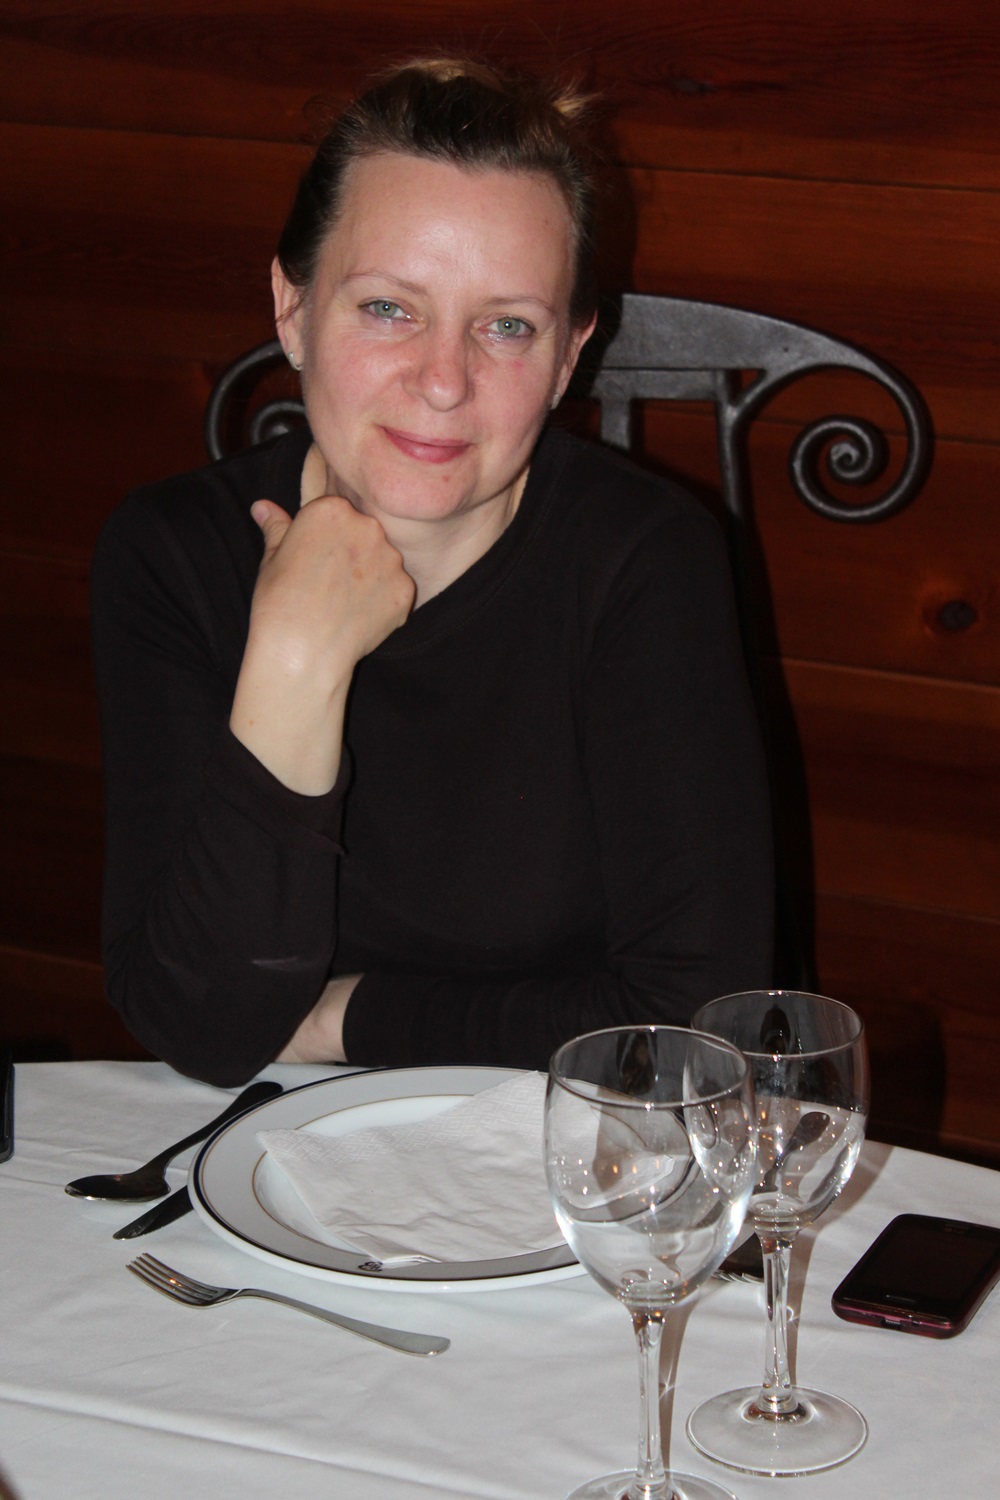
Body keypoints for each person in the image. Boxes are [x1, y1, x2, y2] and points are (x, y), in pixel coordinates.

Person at [90, 58, 774, 1088]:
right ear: (291, 307)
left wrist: (343, 1018)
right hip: (281, 1144)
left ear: (569, 354)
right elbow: (202, 1023)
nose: (445, 381)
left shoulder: (646, 560)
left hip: (574, 1145)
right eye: (387, 308)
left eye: (508, 326)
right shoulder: (172, 554)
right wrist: (294, 660)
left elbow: (689, 1034)